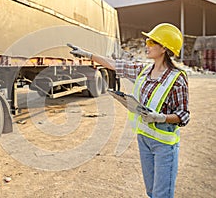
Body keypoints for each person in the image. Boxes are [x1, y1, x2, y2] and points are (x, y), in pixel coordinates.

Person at [68, 23, 190, 198]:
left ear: (164, 48)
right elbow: (115, 64)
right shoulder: (144, 70)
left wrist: (160, 117)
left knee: (161, 194)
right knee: (151, 192)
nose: (146, 45)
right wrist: (89, 55)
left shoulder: (177, 79)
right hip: (144, 140)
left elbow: (184, 115)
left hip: (164, 146)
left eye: (151, 42)